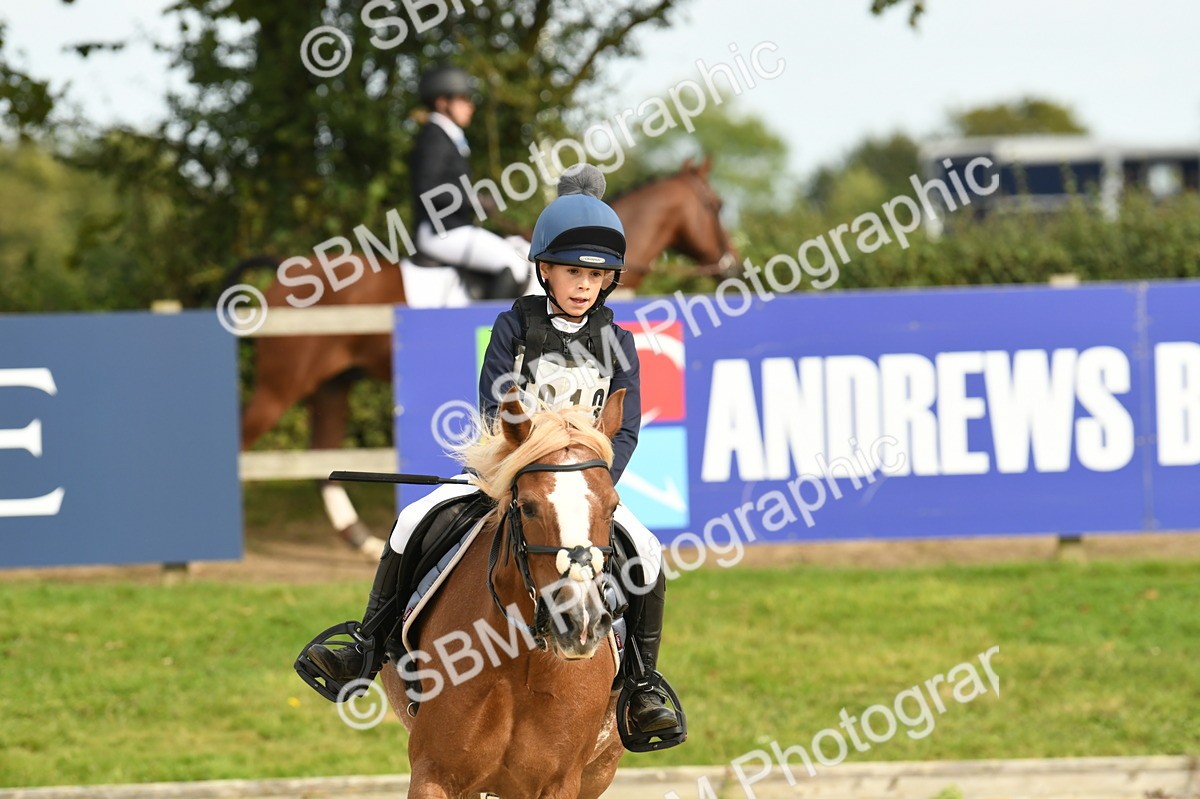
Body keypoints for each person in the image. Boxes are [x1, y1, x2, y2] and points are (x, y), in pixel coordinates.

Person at [300, 165, 681, 739]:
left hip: (584, 486)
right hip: (510, 471)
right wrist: (517, 473)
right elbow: (494, 404)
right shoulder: (514, 326)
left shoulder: (620, 342)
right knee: (413, 519)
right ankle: (367, 644)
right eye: (573, 271)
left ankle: (641, 686)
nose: (584, 285)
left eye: (596, 275)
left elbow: (624, 429)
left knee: (647, 553)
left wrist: (595, 485)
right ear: (545, 270)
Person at [408, 65, 531, 297]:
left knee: (517, 250)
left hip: (452, 229)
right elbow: (427, 189)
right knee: (514, 263)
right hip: (440, 231)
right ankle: (491, 322)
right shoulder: (435, 138)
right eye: (463, 99)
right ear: (442, 103)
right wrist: (472, 200)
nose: (470, 105)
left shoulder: (448, 137)